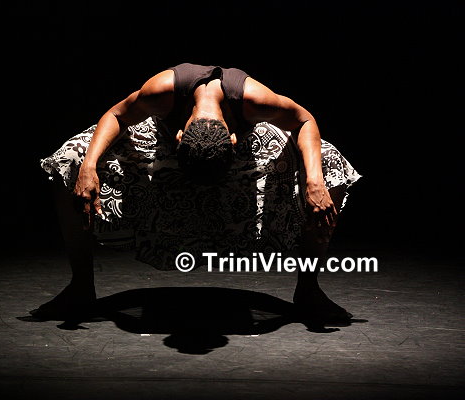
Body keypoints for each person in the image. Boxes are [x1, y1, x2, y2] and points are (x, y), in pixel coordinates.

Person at [31, 63, 361, 323]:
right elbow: (117, 114)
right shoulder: (161, 92)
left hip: (247, 152)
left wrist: (314, 183)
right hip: (159, 144)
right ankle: (81, 288)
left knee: (328, 162)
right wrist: (89, 168)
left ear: (233, 139)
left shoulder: (254, 100)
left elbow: (304, 120)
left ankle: (308, 290)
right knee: (72, 158)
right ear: (179, 137)